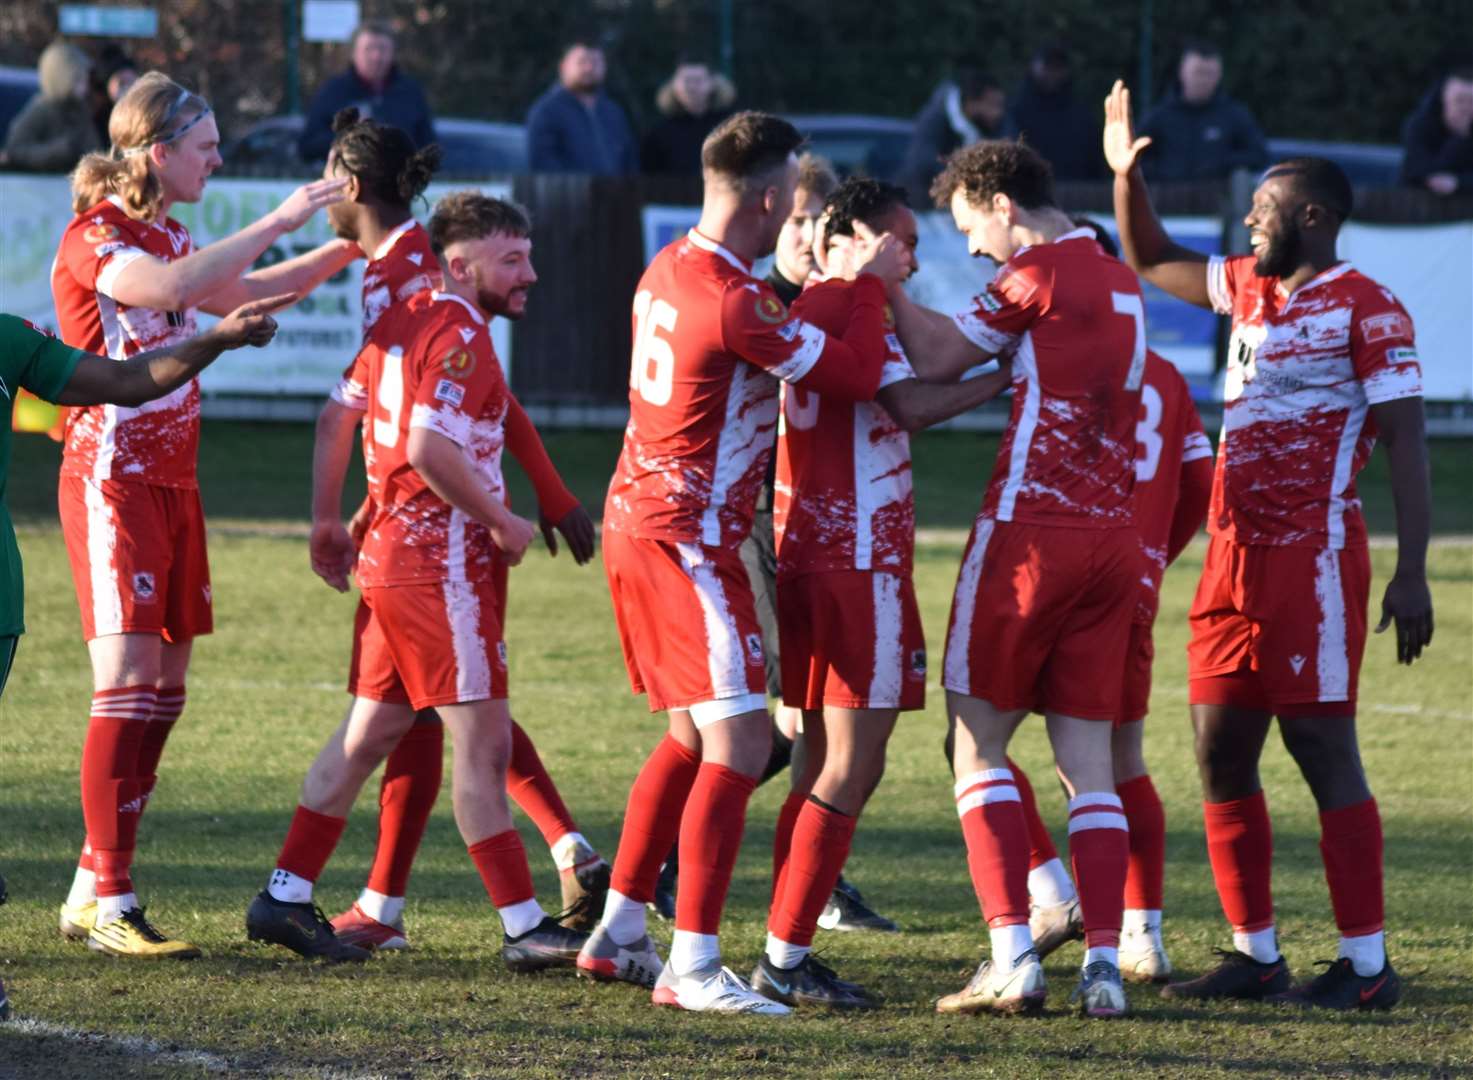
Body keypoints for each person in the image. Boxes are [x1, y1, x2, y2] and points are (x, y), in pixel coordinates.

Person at [1106, 81, 1433, 1010]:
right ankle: (1255, 953)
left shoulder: (1369, 308)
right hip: (1229, 557)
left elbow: (1407, 438)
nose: (1250, 221)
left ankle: (1366, 969)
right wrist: (1125, 176)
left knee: (1322, 748)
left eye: (1265, 209)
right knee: (1217, 749)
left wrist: (1412, 571)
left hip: (1314, 560)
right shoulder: (1248, 286)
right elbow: (1150, 255)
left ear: (1315, 218)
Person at [575, 110, 906, 1015]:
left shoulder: (669, 266)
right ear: (768, 200)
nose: (798, 217)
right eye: (794, 200)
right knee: (743, 740)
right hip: (688, 537)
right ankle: (693, 964)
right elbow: (851, 374)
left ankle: (619, 930)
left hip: (639, 518)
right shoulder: (736, 297)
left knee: (691, 737)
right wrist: (868, 286)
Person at [51, 71, 356, 960]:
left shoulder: (174, 230)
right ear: (158, 152)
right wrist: (283, 216)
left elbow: (230, 290)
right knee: (127, 688)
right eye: (207, 144)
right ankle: (113, 896)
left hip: (175, 484)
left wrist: (353, 247)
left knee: (165, 697)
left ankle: (88, 882)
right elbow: (169, 287)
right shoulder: (96, 235)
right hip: (111, 480)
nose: (218, 158)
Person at [246, 191, 590, 972]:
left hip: (392, 563)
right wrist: (503, 522)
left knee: (368, 732)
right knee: (481, 741)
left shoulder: (401, 318)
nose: (529, 272)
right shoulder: (462, 329)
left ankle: (285, 892)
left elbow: (339, 415)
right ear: (461, 265)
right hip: (441, 568)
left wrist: (331, 519)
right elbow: (432, 449)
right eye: (513, 259)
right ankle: (524, 923)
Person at [307, 109, 610, 950]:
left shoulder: (408, 270)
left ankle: (371, 904)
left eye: (329, 180)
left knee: (426, 715)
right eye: (516, 259)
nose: (321, 196)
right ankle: (536, 874)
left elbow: (421, 412)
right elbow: (409, 424)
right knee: (446, 711)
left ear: (354, 183)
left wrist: (543, 493)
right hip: (424, 535)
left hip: (420, 530)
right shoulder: (399, 267)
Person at [887, 139, 1148, 1019]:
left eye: (968, 225)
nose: (969, 247)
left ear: (997, 202)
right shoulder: (1115, 274)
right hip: (1113, 541)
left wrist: (878, 282)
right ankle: (1104, 967)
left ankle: (1010, 956)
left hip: (1030, 539)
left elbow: (930, 361)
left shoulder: (1036, 274)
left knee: (975, 745)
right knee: (1088, 769)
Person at [751, 177, 1013, 1009]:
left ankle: (781, 938)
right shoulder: (856, 301)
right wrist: (1003, 379)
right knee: (852, 765)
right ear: (856, 236)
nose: (912, 254)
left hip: (814, 556)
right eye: (901, 239)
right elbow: (903, 400)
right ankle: (786, 956)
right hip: (855, 559)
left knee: (818, 764)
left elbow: (886, 399)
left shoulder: (821, 305)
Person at [650, 154, 900, 934]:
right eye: (788, 219)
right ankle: (668, 874)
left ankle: (802, 881)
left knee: (799, 723)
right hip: (753, 524)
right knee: (779, 721)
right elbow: (868, 385)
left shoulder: (811, 301)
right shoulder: (759, 304)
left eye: (809, 220)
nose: (797, 233)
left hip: (790, 526)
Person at [980, 222, 1214, 984]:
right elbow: (1203, 484)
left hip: (1042, 559)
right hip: (1123, 579)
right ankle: (1134, 938)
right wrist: (1155, 555)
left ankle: (1043, 903)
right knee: (1115, 762)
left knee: (980, 737)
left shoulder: (1070, 364)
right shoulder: (1167, 377)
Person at [299, 22, 436, 163]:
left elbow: (428, 145)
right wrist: (349, 136)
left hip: (401, 179)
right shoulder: (333, 92)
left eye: (383, 49)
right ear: (353, 54)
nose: (376, 57)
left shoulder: (410, 92)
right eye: (368, 49)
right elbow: (308, 146)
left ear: (393, 53)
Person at [1137, 41, 1268, 183]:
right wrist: (1165, 171)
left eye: (1210, 74)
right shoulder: (1159, 116)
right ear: (1182, 72)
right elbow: (1136, 157)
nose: (1203, 80)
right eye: (1198, 72)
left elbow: (1259, 155)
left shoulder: (1234, 115)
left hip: (1217, 198)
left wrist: (1221, 163)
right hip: (1167, 198)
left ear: (1219, 75)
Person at [526, 39, 638, 175]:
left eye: (595, 62)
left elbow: (629, 162)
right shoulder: (546, 112)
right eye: (582, 61)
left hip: (613, 195)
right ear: (563, 67)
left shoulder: (613, 113)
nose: (589, 68)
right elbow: (544, 166)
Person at [899, 69, 1009, 206]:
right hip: (927, 207)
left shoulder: (994, 126)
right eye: (992, 105)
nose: (998, 113)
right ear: (971, 103)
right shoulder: (934, 122)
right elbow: (922, 164)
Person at [1, 41, 101, 172]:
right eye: (78, 80)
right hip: (37, 185)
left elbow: (94, 150)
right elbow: (16, 152)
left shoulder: (81, 109)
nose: (85, 87)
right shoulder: (41, 110)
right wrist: (62, 148)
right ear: (62, 78)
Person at [1008, 42, 1101, 182]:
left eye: (1058, 67)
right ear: (1034, 68)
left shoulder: (1082, 115)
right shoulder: (1016, 112)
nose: (1052, 73)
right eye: (1047, 66)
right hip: (1030, 195)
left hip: (1079, 195)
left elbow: (1094, 162)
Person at [640, 56, 735, 175]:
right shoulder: (658, 134)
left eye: (698, 80)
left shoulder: (730, 128)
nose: (692, 87)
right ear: (674, 85)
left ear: (712, 83)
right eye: (687, 81)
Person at [1400, 69, 1473, 196]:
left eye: (1472, 102)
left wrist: (1459, 183)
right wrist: (1459, 138)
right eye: (1459, 100)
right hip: (1415, 200)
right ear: (1444, 99)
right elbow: (1418, 171)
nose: (1465, 108)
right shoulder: (1419, 126)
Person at [89, 44, 138, 147]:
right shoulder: (97, 122)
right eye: (122, 83)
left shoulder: (143, 116)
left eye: (133, 82)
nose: (129, 89)